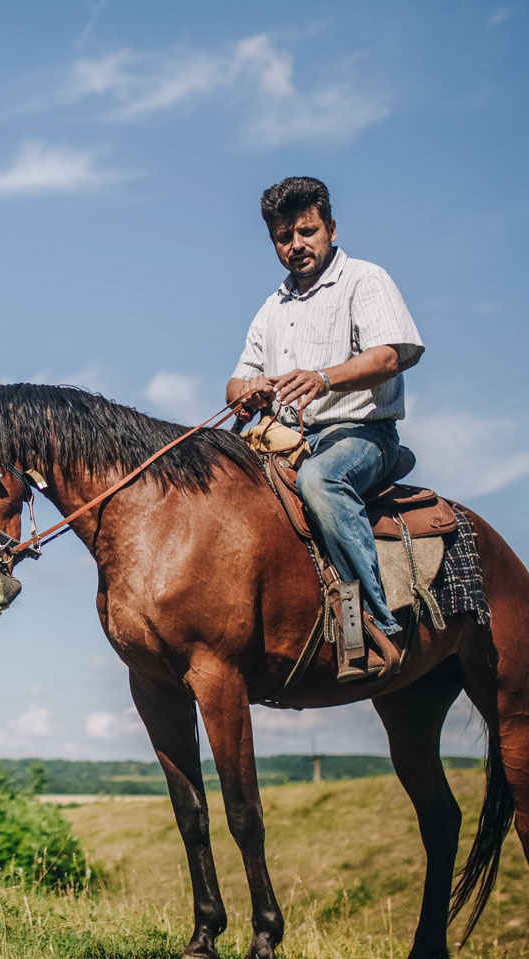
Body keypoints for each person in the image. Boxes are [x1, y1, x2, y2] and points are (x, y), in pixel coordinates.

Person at [226, 176, 423, 678]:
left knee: (322, 481)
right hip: (286, 443)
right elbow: (236, 382)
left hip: (361, 435)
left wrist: (322, 378)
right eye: (283, 237)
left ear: (331, 228)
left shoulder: (365, 279)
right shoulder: (271, 308)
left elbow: (389, 355)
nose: (296, 246)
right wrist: (250, 391)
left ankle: (379, 628)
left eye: (306, 231)